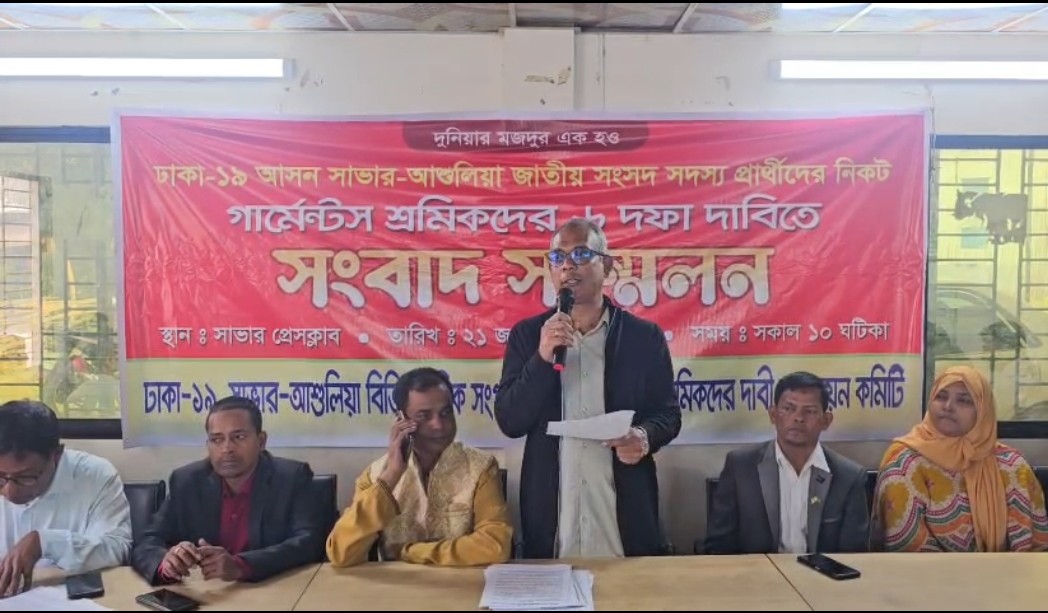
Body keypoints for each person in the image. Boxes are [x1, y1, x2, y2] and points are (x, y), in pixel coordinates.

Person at [494, 218, 681, 559]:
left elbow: (668, 415)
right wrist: (542, 357)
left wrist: (644, 436)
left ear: (606, 266)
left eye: (580, 254)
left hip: (622, 514)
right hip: (553, 519)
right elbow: (510, 420)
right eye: (557, 257)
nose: (567, 265)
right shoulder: (528, 335)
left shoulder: (643, 337)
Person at [327, 368, 512, 567]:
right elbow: (341, 553)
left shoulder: (481, 468)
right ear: (401, 420)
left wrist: (410, 552)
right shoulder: (375, 475)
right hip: (397, 585)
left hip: (461, 582)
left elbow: (495, 546)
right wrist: (392, 475)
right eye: (424, 416)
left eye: (446, 413)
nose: (439, 425)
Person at [131, 396, 325, 584]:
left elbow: (309, 543)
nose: (226, 449)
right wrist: (166, 563)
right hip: (207, 595)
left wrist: (241, 565)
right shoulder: (186, 482)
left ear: (261, 441)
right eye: (217, 439)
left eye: (238, 437)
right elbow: (147, 542)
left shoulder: (291, 478)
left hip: (275, 591)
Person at [873, 365, 1048, 552]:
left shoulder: (1012, 465)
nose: (948, 406)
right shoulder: (904, 462)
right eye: (941, 397)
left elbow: (1038, 545)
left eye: (964, 400)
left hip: (1011, 570)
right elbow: (908, 547)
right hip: (928, 571)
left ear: (982, 411)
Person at [704, 372, 869, 555]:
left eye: (810, 411)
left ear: (826, 420)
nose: (798, 418)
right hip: (756, 571)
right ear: (773, 415)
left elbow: (853, 556)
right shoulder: (740, 468)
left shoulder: (848, 477)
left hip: (821, 572)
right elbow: (718, 548)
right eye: (789, 409)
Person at [0, 400, 131, 597]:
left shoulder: (95, 476)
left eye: (26, 477)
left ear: (57, 455)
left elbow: (116, 549)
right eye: (1, 477)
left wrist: (45, 542)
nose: (9, 491)